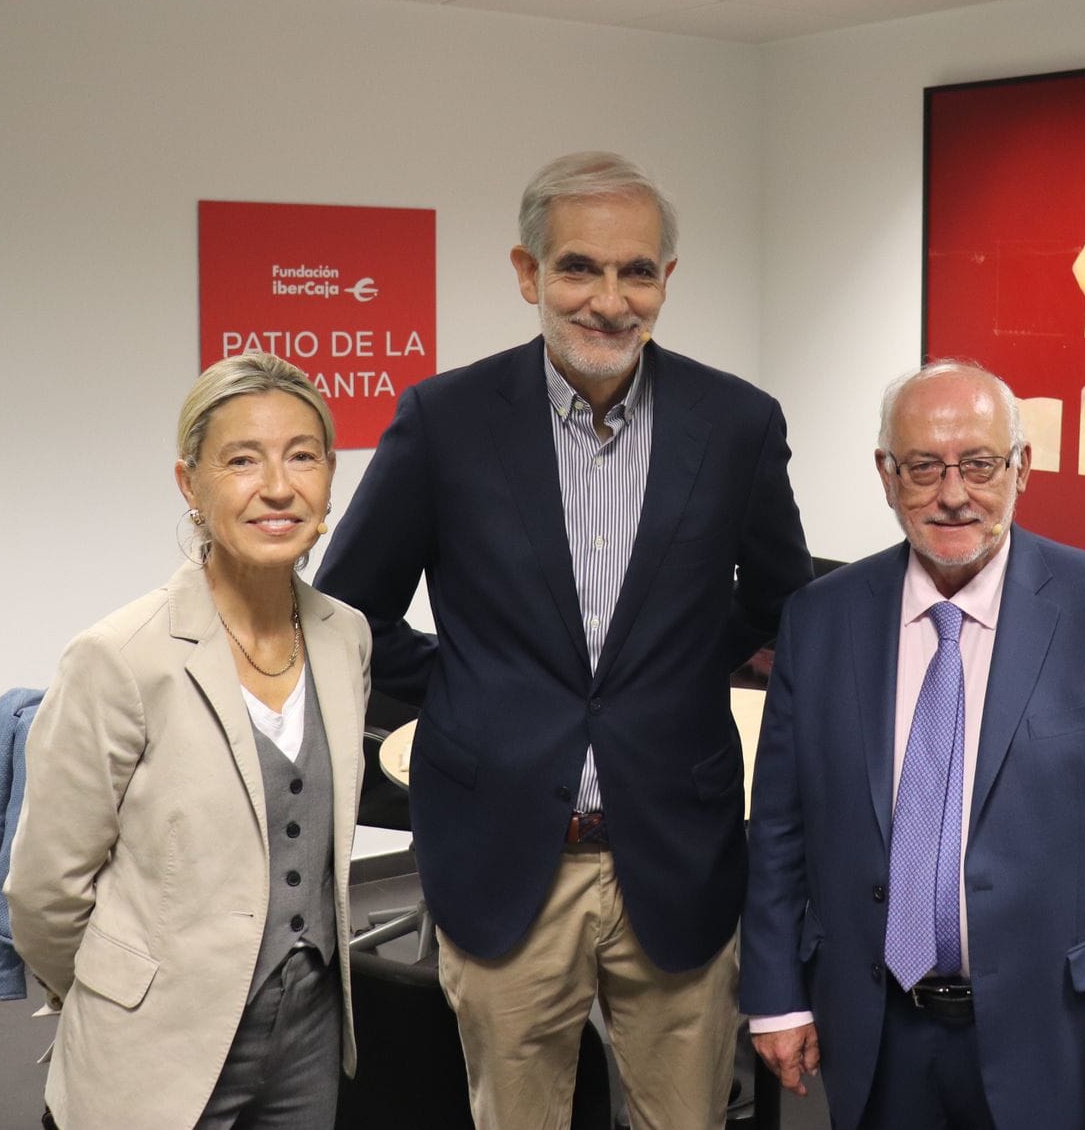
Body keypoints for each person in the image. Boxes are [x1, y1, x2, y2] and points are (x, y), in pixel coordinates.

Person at [316, 150, 811, 1129]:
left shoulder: (736, 424)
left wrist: (679, 668)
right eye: (579, 267)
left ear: (666, 279)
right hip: (505, 857)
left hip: (677, 852)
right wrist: (466, 682)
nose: (609, 300)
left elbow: (778, 599)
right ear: (527, 272)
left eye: (637, 272)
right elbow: (346, 611)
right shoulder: (445, 420)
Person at [741, 361, 1085, 1130]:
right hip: (874, 1027)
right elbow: (779, 827)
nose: (953, 493)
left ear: (1021, 468)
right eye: (924, 466)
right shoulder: (819, 620)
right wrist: (776, 997)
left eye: (980, 464)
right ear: (887, 475)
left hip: (1057, 1030)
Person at [7, 354, 372, 1130]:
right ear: (190, 485)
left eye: (302, 456)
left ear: (330, 475)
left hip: (308, 1035)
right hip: (155, 1044)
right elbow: (44, 893)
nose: (278, 487)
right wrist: (119, 995)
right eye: (242, 460)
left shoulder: (346, 638)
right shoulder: (120, 657)